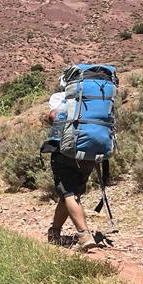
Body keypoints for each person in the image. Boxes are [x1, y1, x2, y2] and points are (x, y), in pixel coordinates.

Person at [44, 90, 99, 252]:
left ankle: (84, 235)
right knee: (70, 194)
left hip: (65, 152)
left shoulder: (59, 96)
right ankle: (54, 232)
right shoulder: (95, 97)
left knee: (68, 194)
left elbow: (54, 117)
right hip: (90, 152)